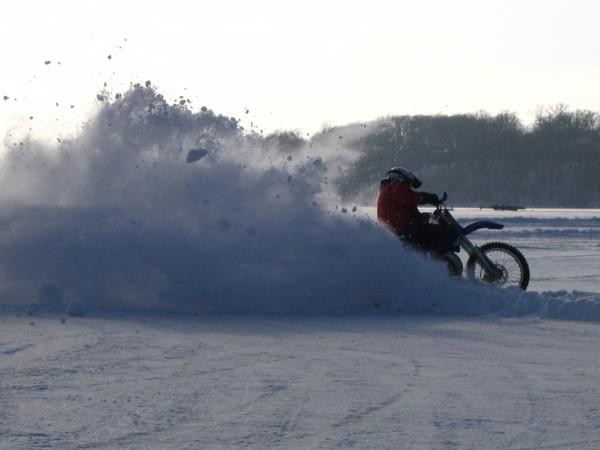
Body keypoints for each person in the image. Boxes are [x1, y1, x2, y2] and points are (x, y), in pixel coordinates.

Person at [377, 167, 457, 254]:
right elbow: (407, 198)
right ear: (400, 178)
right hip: (406, 231)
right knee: (450, 232)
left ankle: (431, 254)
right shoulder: (394, 187)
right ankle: (433, 257)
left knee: (432, 235)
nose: (408, 186)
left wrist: (423, 216)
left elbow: (403, 211)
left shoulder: (387, 191)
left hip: (402, 231)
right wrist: (427, 197)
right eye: (407, 183)